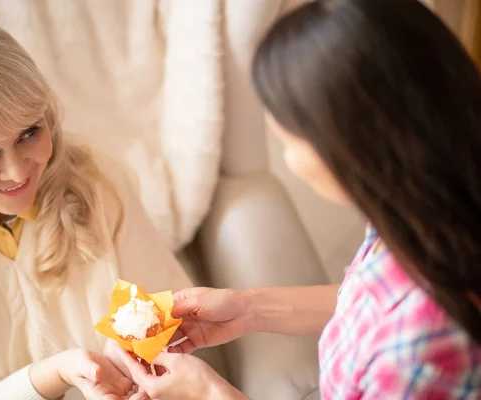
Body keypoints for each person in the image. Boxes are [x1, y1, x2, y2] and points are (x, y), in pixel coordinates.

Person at [114, 0, 481, 398]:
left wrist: (209, 393)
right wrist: (247, 308)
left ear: (351, 147)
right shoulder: (423, 205)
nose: (285, 153)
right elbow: (368, 303)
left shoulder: (419, 353)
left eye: (288, 139)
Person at [0, 17, 193, 400]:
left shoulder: (98, 181)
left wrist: (140, 367)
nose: (17, 172)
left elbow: (164, 311)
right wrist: (54, 374)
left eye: (29, 132)